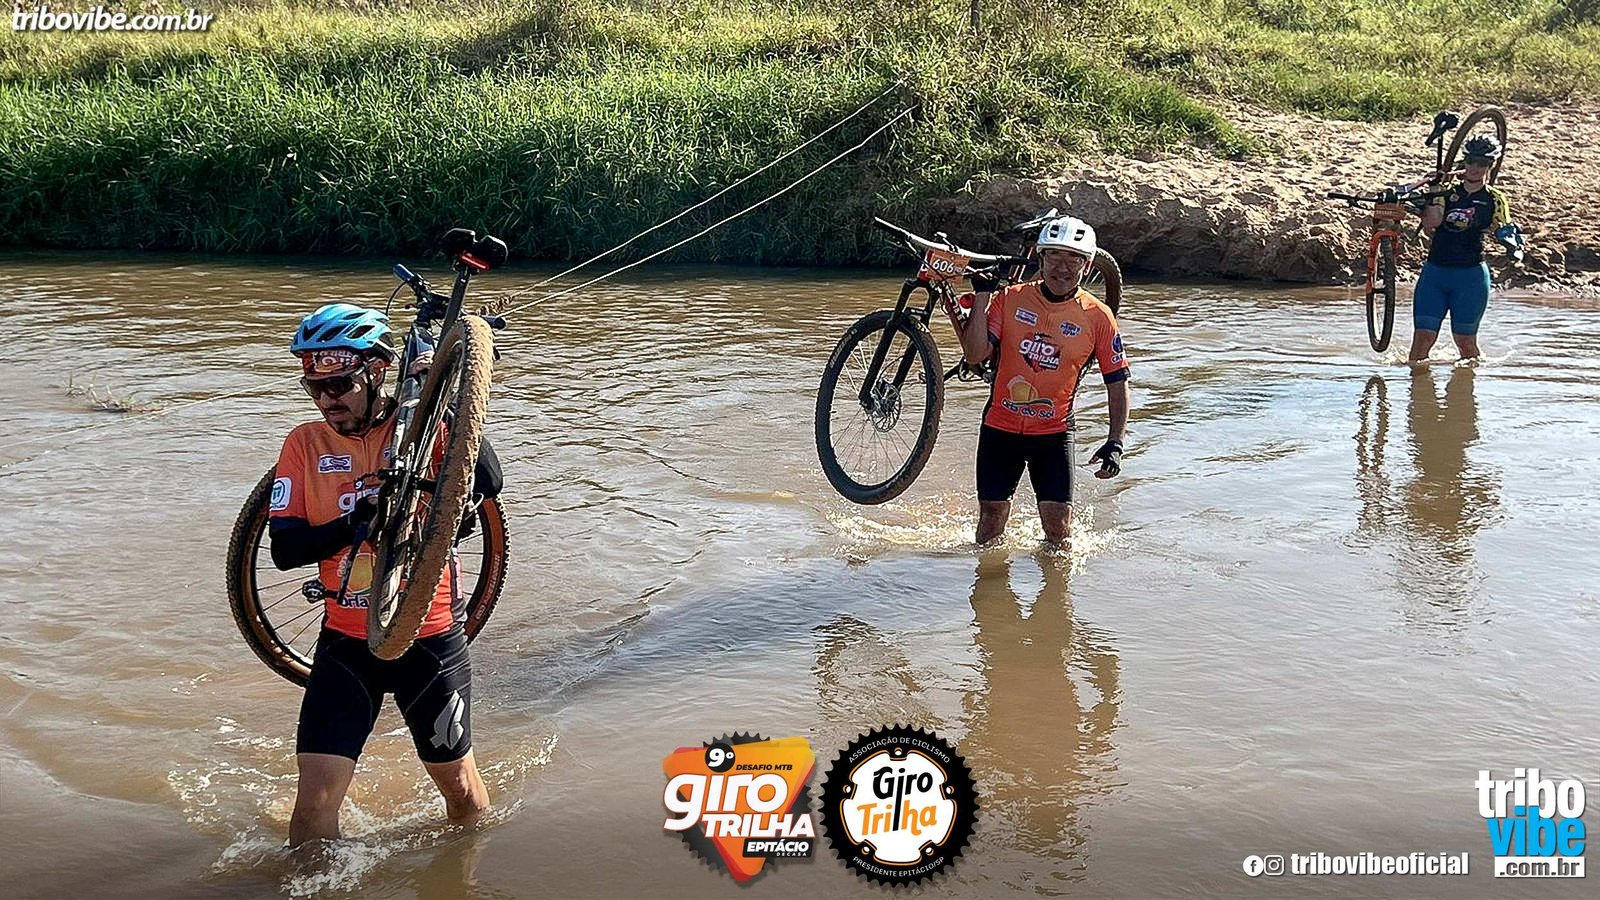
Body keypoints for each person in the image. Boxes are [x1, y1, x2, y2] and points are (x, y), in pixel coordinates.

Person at [268, 303, 502, 847]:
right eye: (315, 388)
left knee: (462, 795)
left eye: (339, 385)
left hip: (430, 639)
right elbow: (284, 550)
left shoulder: (423, 428)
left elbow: (489, 482)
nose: (327, 400)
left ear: (376, 372)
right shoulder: (304, 444)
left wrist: (447, 402)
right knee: (312, 811)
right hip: (346, 643)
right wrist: (355, 520)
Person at [955, 215, 1130, 545]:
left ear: (1087, 265)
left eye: (1073, 259)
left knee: (1058, 531)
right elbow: (975, 354)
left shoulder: (1099, 316)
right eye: (1054, 256)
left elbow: (1117, 381)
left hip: (1053, 434)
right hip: (1000, 428)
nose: (1062, 268)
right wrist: (982, 297)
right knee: (990, 524)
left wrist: (1115, 442)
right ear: (1041, 258)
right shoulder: (1010, 298)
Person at [1409, 134, 1524, 363]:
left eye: (1482, 163)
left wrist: (1512, 244)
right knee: (1423, 339)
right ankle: (1415, 384)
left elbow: (1504, 226)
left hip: (1470, 278)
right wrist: (1433, 191)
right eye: (1471, 161)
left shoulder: (1494, 199)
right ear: (1465, 161)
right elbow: (1432, 223)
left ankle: (1469, 383)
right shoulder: (1447, 192)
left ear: (1490, 165)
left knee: (1465, 342)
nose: (1475, 167)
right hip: (1435, 274)